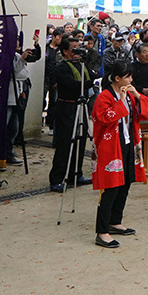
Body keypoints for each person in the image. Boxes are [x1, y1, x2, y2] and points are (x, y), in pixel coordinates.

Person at [91, 61, 148, 248]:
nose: (131, 79)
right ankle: (101, 232)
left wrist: (136, 95)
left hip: (127, 143)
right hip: (110, 147)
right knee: (110, 188)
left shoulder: (127, 94)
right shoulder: (104, 96)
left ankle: (115, 221)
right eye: (128, 76)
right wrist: (122, 100)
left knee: (125, 183)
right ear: (117, 78)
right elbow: (104, 117)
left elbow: (145, 112)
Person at [49, 37, 97, 192]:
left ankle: (75, 174)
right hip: (67, 107)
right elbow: (72, 85)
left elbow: (93, 76)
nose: (78, 51)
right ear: (65, 51)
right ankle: (57, 178)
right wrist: (92, 83)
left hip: (81, 106)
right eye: (74, 48)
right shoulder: (62, 67)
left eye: (79, 47)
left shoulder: (82, 65)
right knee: (65, 142)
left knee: (81, 141)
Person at [7, 32, 41, 165]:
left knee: (14, 128)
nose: (18, 43)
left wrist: (35, 45)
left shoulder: (16, 55)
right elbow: (13, 73)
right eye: (15, 40)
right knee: (6, 126)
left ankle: (8, 152)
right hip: (9, 96)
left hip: (18, 95)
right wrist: (22, 59)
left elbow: (24, 72)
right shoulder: (5, 56)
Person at [43, 27, 64, 135]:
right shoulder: (46, 47)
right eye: (59, 37)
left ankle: (51, 125)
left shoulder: (61, 50)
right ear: (53, 37)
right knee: (42, 101)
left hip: (55, 79)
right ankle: (42, 122)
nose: (60, 40)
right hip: (45, 77)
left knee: (53, 102)